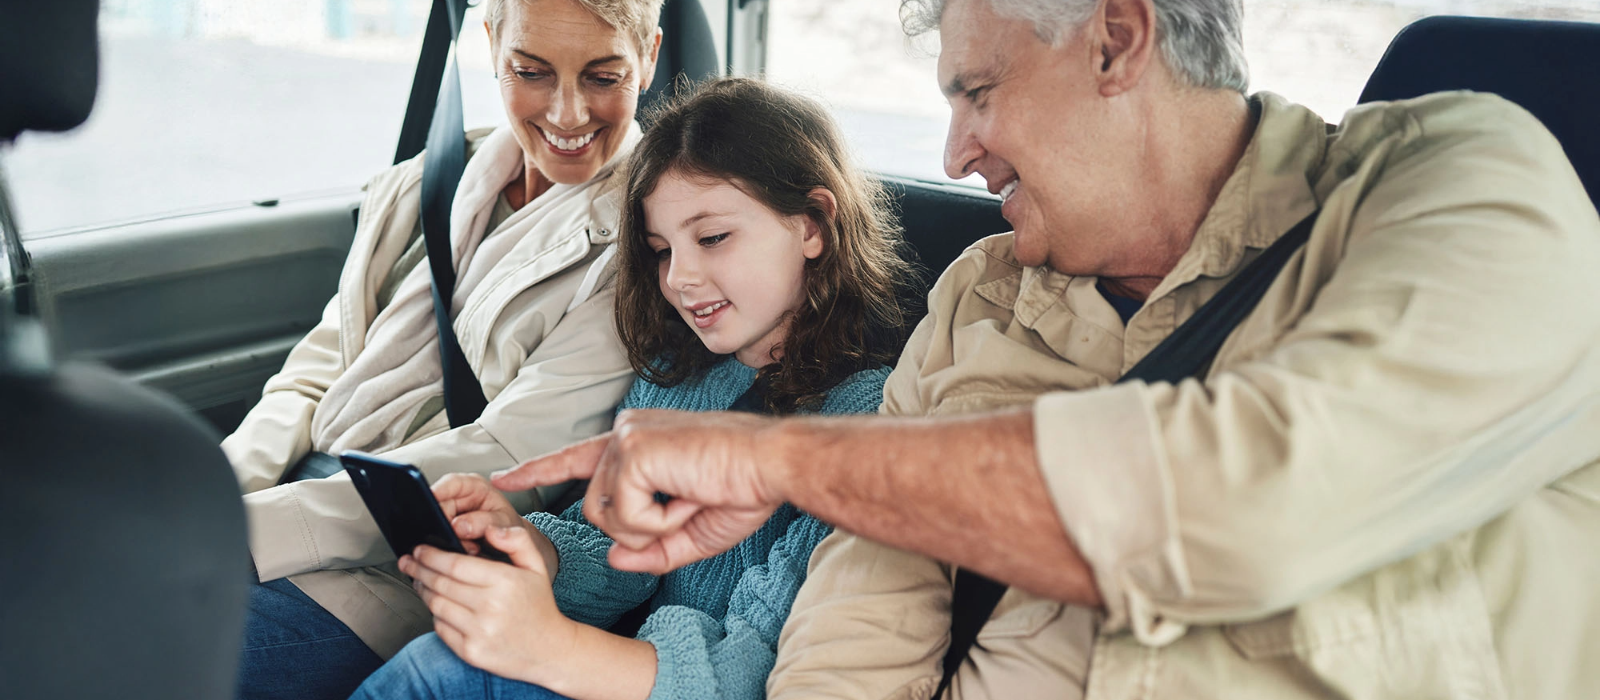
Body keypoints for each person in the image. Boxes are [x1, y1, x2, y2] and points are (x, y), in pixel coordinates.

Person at [501, 0, 1600, 698]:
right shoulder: (983, 293)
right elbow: (866, 606)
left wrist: (770, 459)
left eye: (977, 92)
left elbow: (1244, 500)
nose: (954, 151)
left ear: (1117, 40)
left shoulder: (1465, 183)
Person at [348, 76, 915, 700]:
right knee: (442, 656)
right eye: (660, 249)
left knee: (440, 670)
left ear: (812, 225)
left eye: (712, 238)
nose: (681, 277)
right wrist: (532, 544)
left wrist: (545, 645)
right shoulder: (680, 375)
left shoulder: (864, 424)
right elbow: (618, 546)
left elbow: (759, 667)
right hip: (634, 668)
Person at [230, 0, 666, 697]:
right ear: (491, 45)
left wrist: (258, 531)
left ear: (648, 60)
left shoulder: (648, 249)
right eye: (531, 71)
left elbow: (509, 457)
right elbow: (320, 364)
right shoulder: (428, 180)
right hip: (293, 496)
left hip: (396, 565)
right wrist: (222, 495)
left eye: (603, 77)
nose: (566, 113)